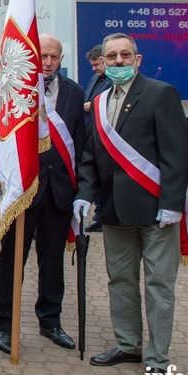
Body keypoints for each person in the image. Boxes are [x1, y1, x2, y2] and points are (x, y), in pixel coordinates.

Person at [74, 33, 188, 375]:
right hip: (114, 210)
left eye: (125, 55)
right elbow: (92, 156)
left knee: (158, 285)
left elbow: (175, 155)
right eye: (112, 56)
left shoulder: (160, 93)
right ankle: (127, 345)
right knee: (120, 281)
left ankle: (158, 359)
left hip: (155, 209)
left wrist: (172, 203)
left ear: (137, 59)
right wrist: (84, 194)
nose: (119, 61)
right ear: (103, 61)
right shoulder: (100, 99)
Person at [0, 34, 85, 355]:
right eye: (43, 56)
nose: (48, 63)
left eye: (54, 57)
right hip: (24, 191)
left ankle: (50, 321)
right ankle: (4, 323)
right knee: (12, 261)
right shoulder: (16, 90)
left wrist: (83, 192)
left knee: (53, 262)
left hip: (59, 192)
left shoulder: (74, 92)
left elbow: (81, 146)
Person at [81, 44, 112, 233]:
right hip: (91, 135)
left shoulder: (112, 81)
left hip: (105, 138)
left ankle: (101, 215)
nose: (93, 69)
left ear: (103, 60)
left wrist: (91, 107)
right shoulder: (95, 79)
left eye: (95, 65)